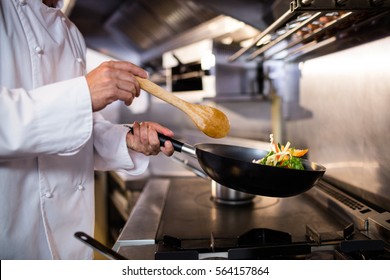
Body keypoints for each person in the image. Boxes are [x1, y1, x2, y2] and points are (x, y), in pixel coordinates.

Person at [0, 0, 174, 259]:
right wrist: (83, 94)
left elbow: (75, 126)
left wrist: (125, 141)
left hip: (71, 245)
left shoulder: (71, 34)